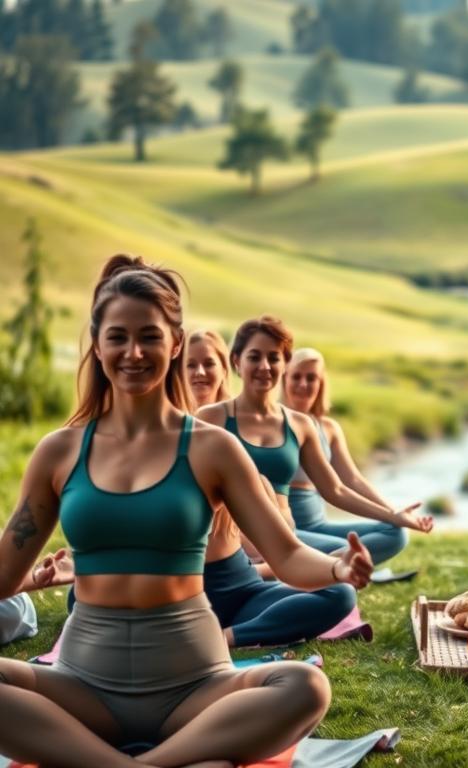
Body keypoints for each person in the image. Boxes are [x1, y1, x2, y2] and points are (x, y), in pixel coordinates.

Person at [0, 255, 373, 767]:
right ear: (98, 343)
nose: (134, 352)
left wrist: (337, 568)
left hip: (194, 688)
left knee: (306, 685)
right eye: (118, 337)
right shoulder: (59, 452)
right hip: (82, 687)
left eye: (150, 336)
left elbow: (285, 556)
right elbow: (4, 573)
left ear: (175, 343)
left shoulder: (212, 448)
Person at [196, 317, 432, 565]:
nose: (265, 366)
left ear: (285, 363)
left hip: (287, 536)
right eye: (254, 357)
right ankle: (304, 574)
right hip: (235, 540)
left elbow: (336, 489)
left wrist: (393, 515)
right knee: (342, 555)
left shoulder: (300, 425)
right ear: (237, 361)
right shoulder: (212, 417)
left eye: (274, 358)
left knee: (352, 551)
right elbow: (196, 490)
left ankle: (309, 574)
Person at [282, 347, 409, 565]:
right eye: (296, 376)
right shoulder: (270, 422)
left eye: (311, 378)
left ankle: (330, 568)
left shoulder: (329, 428)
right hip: (284, 530)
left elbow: (352, 479)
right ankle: (331, 569)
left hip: (318, 526)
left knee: (395, 533)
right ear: (284, 379)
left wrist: (393, 513)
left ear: (321, 383)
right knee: (346, 551)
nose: (303, 384)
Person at [185, 329, 231, 407]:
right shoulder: (164, 417)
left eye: (209, 364)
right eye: (191, 365)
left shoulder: (239, 416)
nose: (200, 372)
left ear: (224, 370)